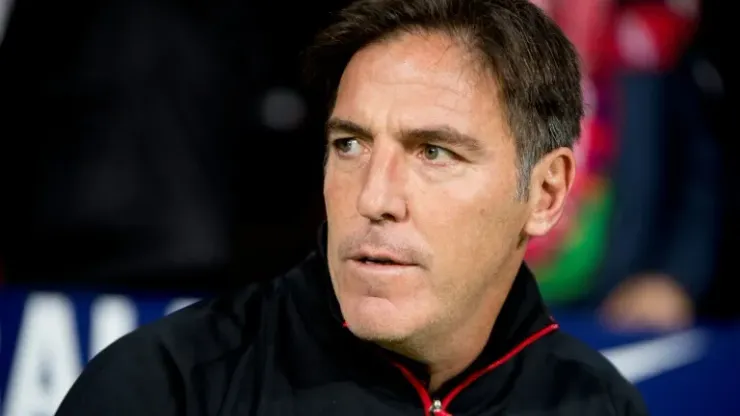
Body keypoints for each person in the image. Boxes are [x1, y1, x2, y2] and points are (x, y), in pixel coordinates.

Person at [55, 0, 647, 414]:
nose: (374, 198)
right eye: (350, 145)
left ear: (545, 194)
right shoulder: (166, 388)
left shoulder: (600, 404)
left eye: (433, 152)